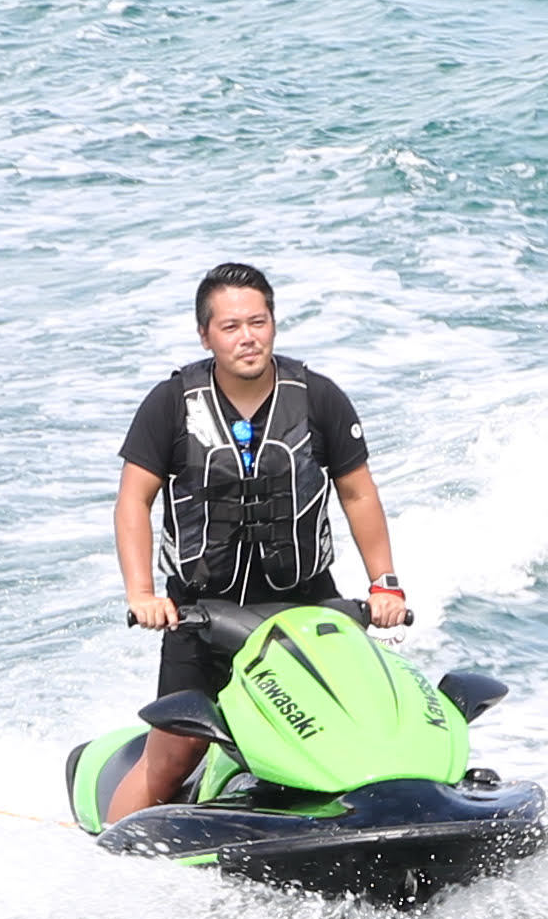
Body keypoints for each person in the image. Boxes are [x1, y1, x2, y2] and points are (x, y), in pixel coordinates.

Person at [106, 260, 412, 821]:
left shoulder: (318, 398)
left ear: (273, 323)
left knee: (358, 727)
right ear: (206, 335)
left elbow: (358, 494)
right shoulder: (171, 404)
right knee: (176, 753)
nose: (247, 337)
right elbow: (134, 500)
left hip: (306, 603)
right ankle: (112, 853)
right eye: (230, 326)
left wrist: (385, 585)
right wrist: (142, 593)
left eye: (259, 322)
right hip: (199, 612)